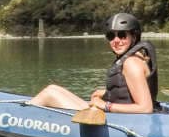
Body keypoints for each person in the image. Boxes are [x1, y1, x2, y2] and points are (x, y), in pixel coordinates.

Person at [28, 13, 159, 113]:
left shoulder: (132, 63)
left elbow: (145, 108)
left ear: (134, 37)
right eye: (111, 36)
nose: (116, 40)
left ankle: (20, 120)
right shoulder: (133, 58)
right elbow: (128, 91)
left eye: (122, 35)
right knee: (53, 88)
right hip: (115, 116)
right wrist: (106, 93)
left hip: (120, 121)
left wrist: (106, 105)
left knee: (49, 94)